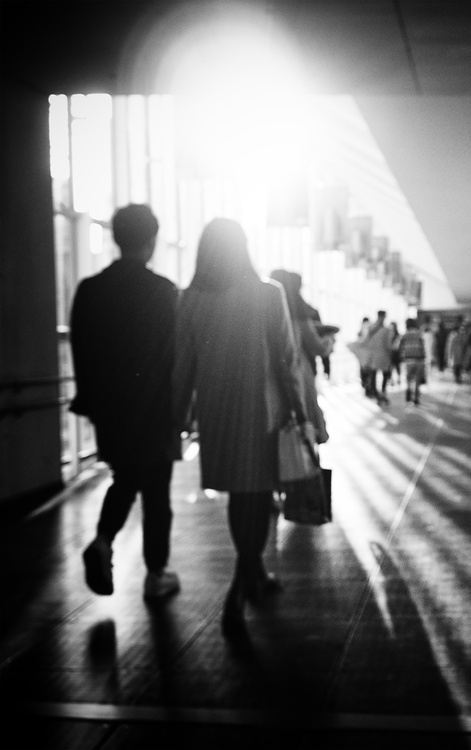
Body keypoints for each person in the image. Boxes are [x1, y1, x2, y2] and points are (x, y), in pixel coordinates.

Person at [173, 218, 306, 638]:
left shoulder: (189, 300)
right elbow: (287, 359)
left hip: (217, 412)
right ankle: (237, 587)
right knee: (259, 494)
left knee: (239, 495)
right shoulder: (269, 294)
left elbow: (183, 365)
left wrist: (180, 416)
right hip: (262, 409)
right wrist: (301, 410)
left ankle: (256, 573)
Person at [70, 204, 181, 600]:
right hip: (156, 408)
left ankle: (102, 541)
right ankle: (156, 573)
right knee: (156, 494)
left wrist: (92, 401)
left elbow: (81, 351)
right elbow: (178, 355)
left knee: (127, 477)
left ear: (117, 238)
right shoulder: (165, 293)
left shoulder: (89, 290)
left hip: (111, 410)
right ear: (151, 242)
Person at [269, 270, 331, 444]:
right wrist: (329, 339)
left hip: (268, 376)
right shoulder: (300, 315)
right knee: (305, 431)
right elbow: (317, 346)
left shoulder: (258, 312)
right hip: (299, 373)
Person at [365, 310, 395, 406]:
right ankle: (381, 393)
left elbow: (367, 342)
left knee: (374, 375)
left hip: (374, 356)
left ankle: (378, 394)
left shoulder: (371, 328)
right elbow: (388, 345)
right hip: (384, 356)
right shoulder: (386, 330)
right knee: (384, 375)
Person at [397, 318, 427, 405]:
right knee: (417, 379)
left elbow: (399, 347)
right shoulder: (419, 334)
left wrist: (402, 356)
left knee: (409, 378)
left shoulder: (404, 335)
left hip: (408, 359)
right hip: (419, 359)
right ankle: (416, 397)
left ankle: (409, 392)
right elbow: (423, 346)